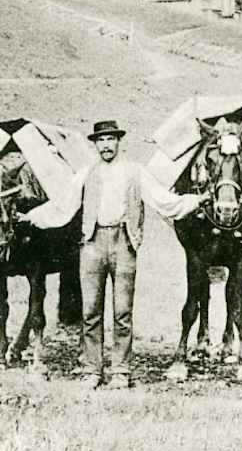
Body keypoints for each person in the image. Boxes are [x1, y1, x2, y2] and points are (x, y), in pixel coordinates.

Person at [19, 120, 208, 389]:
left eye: (110, 139)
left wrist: (197, 200)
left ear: (119, 142)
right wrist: (31, 217)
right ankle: (91, 370)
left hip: (123, 244)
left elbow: (163, 201)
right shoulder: (86, 173)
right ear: (95, 144)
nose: (106, 145)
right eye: (101, 140)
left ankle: (120, 370)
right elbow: (63, 206)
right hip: (92, 244)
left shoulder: (135, 172)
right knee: (90, 311)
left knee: (122, 312)